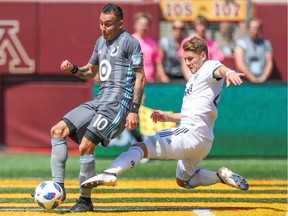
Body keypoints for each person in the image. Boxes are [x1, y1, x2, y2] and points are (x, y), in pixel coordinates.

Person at [81, 37, 249, 198]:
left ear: (203, 55)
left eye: (190, 58)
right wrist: (168, 117)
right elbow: (192, 114)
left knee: (140, 148)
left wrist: (229, 73)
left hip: (191, 134)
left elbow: (219, 69)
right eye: (185, 59)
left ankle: (111, 173)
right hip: (204, 140)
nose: (187, 63)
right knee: (184, 180)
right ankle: (219, 177)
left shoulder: (209, 66)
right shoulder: (195, 81)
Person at [49, 4, 146, 212]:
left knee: (85, 146)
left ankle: (85, 201)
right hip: (99, 100)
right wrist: (74, 69)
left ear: (120, 24)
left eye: (108, 24)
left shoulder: (130, 42)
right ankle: (58, 188)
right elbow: (90, 72)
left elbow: (140, 77)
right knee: (57, 131)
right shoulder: (100, 42)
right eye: (101, 23)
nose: (104, 28)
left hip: (117, 104)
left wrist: (134, 109)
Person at [178, 15, 224, 80]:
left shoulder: (213, 44)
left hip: (208, 77)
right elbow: (184, 64)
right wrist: (190, 81)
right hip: (192, 76)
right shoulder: (188, 41)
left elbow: (217, 63)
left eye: (204, 25)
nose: (202, 28)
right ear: (195, 26)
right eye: (199, 25)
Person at [132, 12, 170, 83]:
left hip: (150, 83)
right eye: (140, 24)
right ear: (135, 25)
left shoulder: (153, 44)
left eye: (145, 24)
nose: (143, 26)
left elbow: (158, 63)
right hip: (134, 83)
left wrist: (163, 77)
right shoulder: (130, 41)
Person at [234, 17, 273, 83]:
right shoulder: (241, 43)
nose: (254, 31)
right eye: (252, 28)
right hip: (245, 80)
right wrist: (252, 78)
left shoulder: (266, 44)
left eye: (257, 28)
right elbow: (240, 64)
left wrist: (263, 78)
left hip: (262, 80)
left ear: (260, 30)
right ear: (248, 29)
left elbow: (269, 63)